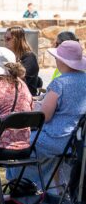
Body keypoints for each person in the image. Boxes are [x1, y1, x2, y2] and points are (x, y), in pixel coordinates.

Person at [11, 41, 86, 188]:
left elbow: (45, 116)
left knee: (18, 147)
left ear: (62, 61)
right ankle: (53, 190)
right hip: (79, 139)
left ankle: (23, 191)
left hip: (57, 138)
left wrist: (35, 108)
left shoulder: (60, 83)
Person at [4, 26, 41, 96]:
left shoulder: (29, 57)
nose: (5, 41)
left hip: (26, 97)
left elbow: (20, 80)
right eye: (4, 38)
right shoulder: (13, 55)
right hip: (15, 95)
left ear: (17, 40)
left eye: (8, 39)